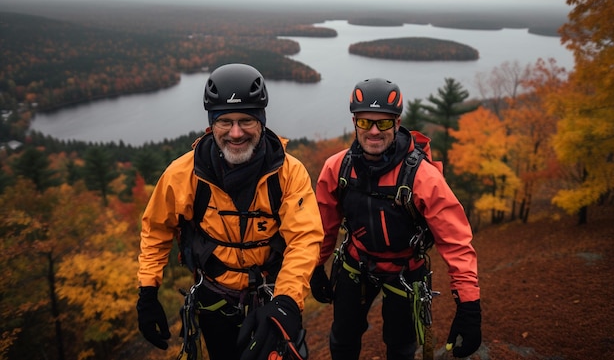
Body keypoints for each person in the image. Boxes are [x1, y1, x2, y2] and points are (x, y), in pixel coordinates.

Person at [136, 63, 324, 360]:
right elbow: (157, 229)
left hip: (272, 294)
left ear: (262, 122)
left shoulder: (288, 173)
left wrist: (287, 300)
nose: (236, 133)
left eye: (246, 120)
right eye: (225, 121)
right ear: (211, 125)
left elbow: (305, 237)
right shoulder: (184, 174)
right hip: (214, 298)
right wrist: (147, 291)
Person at [311, 78, 481, 360]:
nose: (374, 131)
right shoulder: (338, 168)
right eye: (365, 123)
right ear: (354, 122)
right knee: (342, 338)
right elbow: (324, 225)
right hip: (356, 262)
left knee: (401, 347)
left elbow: (456, 241)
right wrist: (316, 265)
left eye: (384, 123)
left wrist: (469, 305)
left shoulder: (422, 177)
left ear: (398, 123)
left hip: (406, 269)